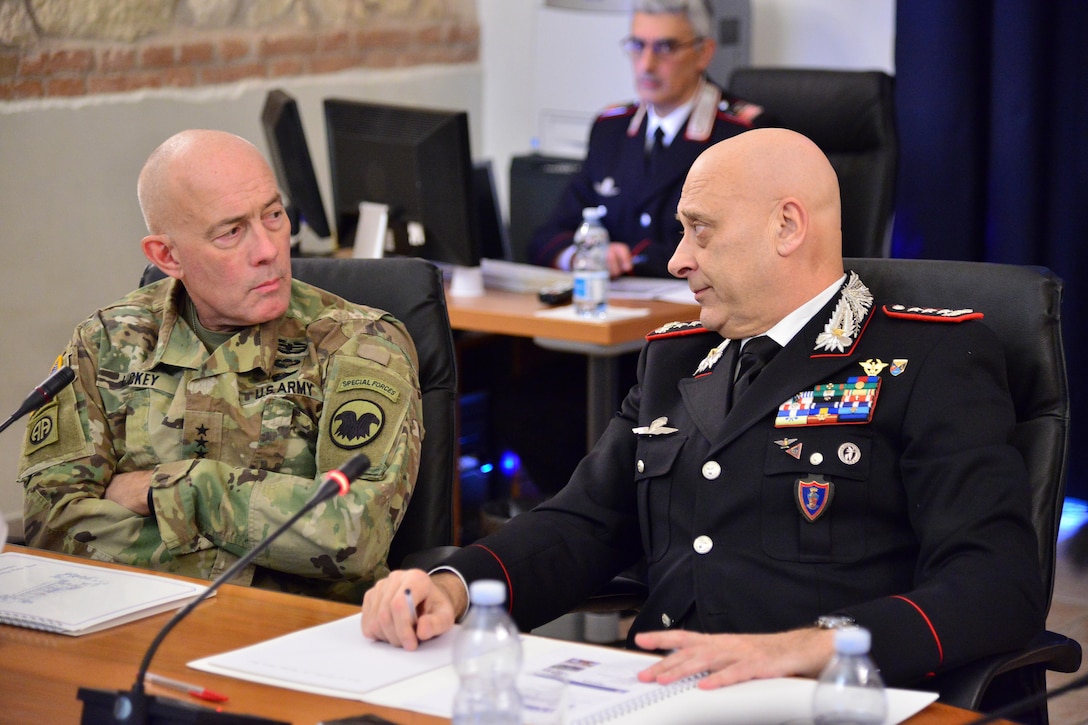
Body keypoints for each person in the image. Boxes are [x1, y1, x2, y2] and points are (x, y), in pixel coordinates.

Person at [361, 128, 1045, 691]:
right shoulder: (677, 359)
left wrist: (810, 648)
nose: (681, 258)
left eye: (700, 231)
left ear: (786, 226)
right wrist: (454, 585)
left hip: (822, 700)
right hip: (659, 694)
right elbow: (584, 522)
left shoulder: (927, 358)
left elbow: (994, 583)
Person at [18, 129, 424, 603]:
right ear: (166, 256)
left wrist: (175, 489)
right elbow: (49, 524)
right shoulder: (105, 342)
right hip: (129, 621)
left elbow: (353, 535)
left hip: (299, 633)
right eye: (231, 232)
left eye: (273, 215)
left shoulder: (360, 345)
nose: (269, 249)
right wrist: (259, 548)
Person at [528, 0, 768, 278]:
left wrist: (631, 258)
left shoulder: (741, 134)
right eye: (638, 46)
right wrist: (583, 255)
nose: (647, 64)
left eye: (665, 48)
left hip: (696, 314)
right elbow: (548, 236)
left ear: (704, 53)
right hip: (615, 310)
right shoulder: (611, 129)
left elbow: (745, 252)